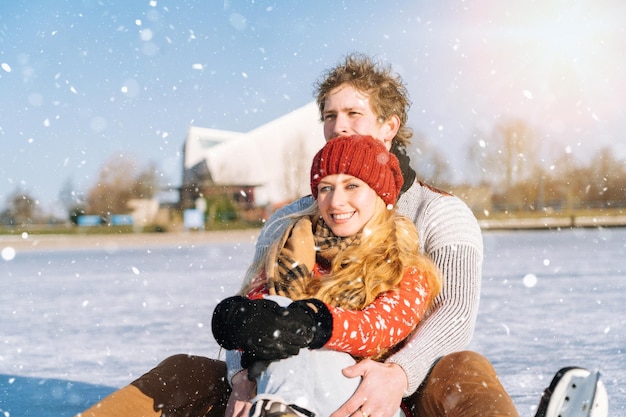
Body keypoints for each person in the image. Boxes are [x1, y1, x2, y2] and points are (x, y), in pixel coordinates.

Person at [77, 53, 603, 417]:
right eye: (330, 116)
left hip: (398, 378)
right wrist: (244, 369)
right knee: (185, 371)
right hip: (291, 372)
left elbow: (455, 314)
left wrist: (396, 374)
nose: (340, 125)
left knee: (463, 370)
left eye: (355, 113)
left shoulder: (441, 213)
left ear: (390, 125)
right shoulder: (294, 219)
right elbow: (259, 303)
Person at [211, 134, 441, 417]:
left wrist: (314, 323)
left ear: (380, 195)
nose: (336, 201)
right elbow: (265, 309)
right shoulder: (290, 252)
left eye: (352, 186)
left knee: (305, 349)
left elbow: (378, 328)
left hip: (362, 403)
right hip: (282, 392)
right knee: (275, 330)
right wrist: (242, 319)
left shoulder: (405, 266)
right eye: (326, 188)